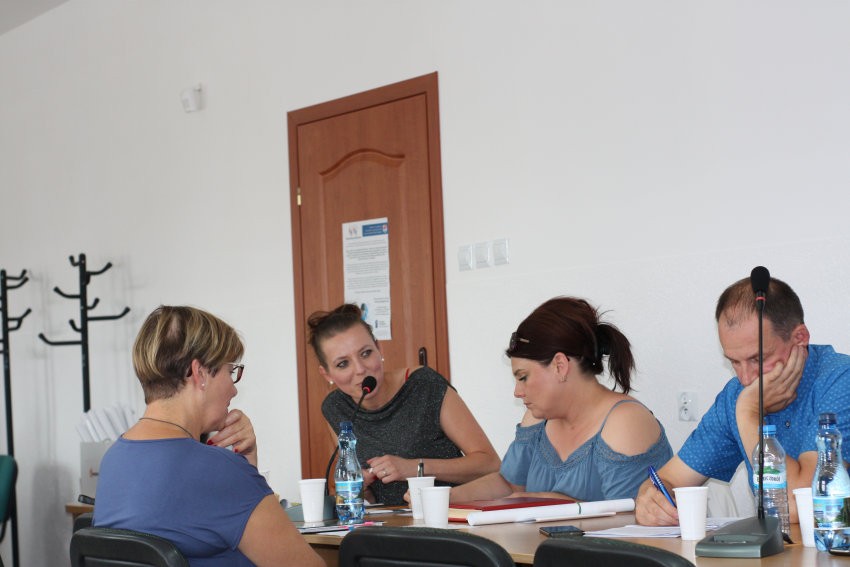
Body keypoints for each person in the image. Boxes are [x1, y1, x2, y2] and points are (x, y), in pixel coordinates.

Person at [94, 306, 324, 567]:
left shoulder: (113, 460)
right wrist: (241, 469)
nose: (234, 390)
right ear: (200, 373)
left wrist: (246, 459)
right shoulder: (219, 471)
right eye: (230, 372)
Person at [635, 274, 850, 526]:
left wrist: (749, 413)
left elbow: (800, 507)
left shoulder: (841, 380)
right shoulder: (737, 394)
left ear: (800, 338)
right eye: (734, 362)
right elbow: (669, 479)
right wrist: (650, 500)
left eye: (758, 359)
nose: (746, 378)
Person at [450, 297, 673, 504]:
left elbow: (627, 518)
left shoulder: (626, 422)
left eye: (523, 377)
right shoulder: (537, 419)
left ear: (560, 366)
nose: (517, 392)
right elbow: (509, 485)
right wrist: (445, 499)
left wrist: (548, 501)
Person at [308, 303, 500, 506]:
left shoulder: (425, 385)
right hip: (390, 522)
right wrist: (360, 489)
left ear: (379, 349)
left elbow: (490, 464)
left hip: (447, 515)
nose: (360, 369)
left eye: (365, 353)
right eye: (342, 364)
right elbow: (368, 498)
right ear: (326, 374)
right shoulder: (335, 408)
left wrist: (415, 468)